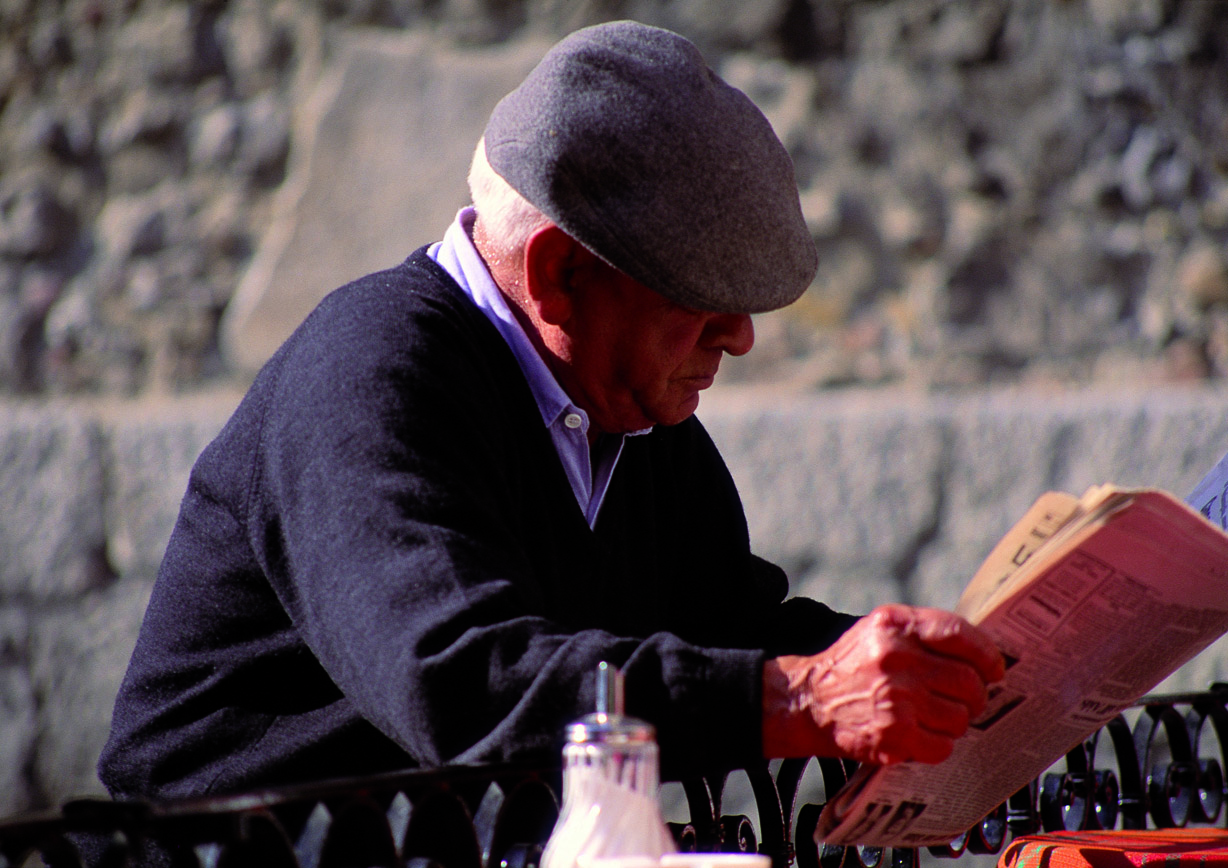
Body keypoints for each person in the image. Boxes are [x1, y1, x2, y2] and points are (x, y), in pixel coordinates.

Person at [99, 20, 1003, 802]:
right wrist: (802, 700)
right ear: (559, 276)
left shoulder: (629, 409)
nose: (739, 340)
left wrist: (950, 669)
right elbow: (457, 683)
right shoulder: (370, 371)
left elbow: (729, 629)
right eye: (703, 301)